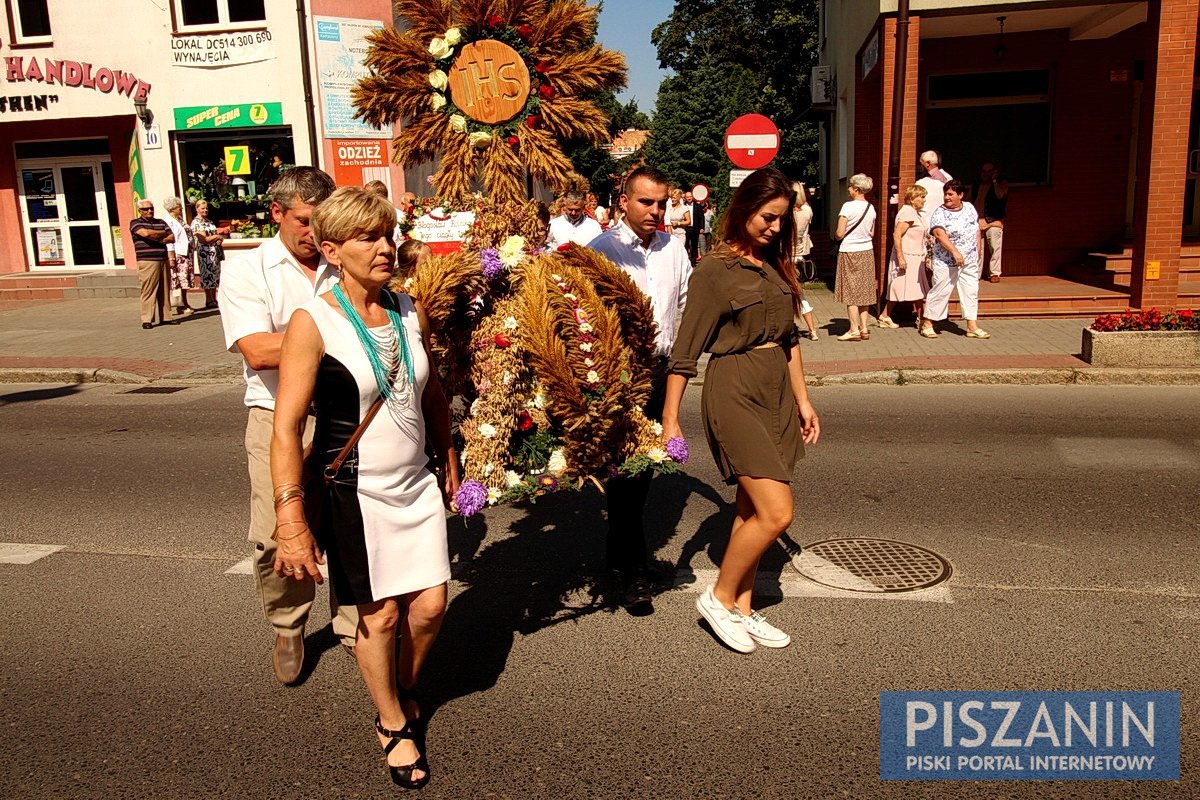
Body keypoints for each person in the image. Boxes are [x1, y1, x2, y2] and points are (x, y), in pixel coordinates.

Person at [271, 186, 457, 789]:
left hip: (415, 483)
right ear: (331, 249)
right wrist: (291, 519)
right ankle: (391, 721)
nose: (385, 246)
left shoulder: (408, 308)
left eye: (388, 233)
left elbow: (429, 391)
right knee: (378, 618)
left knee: (430, 606)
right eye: (367, 237)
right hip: (356, 489)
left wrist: (448, 450)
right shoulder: (313, 321)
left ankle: (401, 684)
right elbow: (286, 428)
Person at [662, 167, 820, 653]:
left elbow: (788, 338)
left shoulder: (774, 265)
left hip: (774, 390)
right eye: (768, 218)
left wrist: (803, 399)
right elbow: (685, 352)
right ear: (744, 210)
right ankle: (718, 596)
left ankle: (743, 609)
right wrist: (670, 421)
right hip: (733, 390)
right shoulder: (714, 270)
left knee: (751, 509)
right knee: (777, 513)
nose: (775, 228)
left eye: (782, 221)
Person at [218, 167, 359, 685]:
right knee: (279, 535)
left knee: (350, 528)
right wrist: (333, 337)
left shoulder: (344, 256)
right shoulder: (247, 269)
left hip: (349, 415)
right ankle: (288, 624)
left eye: (322, 221)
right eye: (304, 221)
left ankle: (352, 624)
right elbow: (257, 350)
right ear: (276, 213)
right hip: (278, 418)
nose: (315, 232)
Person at [587, 166, 692, 612]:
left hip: (660, 373)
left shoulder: (675, 250)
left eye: (662, 203)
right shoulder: (600, 250)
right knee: (626, 476)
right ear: (624, 202)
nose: (655, 211)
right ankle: (633, 575)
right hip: (618, 378)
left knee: (641, 474)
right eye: (646, 202)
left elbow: (683, 309)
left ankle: (620, 558)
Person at [922, 179, 991, 339]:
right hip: (946, 260)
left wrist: (978, 249)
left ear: (960, 195)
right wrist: (954, 252)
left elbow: (975, 229)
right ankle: (928, 323)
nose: (947, 197)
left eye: (951, 194)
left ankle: (971, 326)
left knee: (971, 291)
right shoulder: (940, 212)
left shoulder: (969, 208)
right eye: (945, 194)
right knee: (941, 290)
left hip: (969, 259)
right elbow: (939, 234)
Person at [832, 174, 877, 342]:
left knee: (851, 291)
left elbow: (839, 233)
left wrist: (837, 238)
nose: (848, 189)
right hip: (867, 250)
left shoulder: (847, 207)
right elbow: (872, 233)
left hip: (849, 250)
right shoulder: (870, 208)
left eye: (850, 187)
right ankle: (864, 327)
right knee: (865, 289)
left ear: (856, 189)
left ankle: (853, 329)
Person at [880, 184, 930, 329]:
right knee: (909, 287)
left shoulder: (914, 213)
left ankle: (885, 315)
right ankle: (921, 319)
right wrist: (901, 258)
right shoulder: (908, 212)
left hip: (915, 256)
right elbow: (897, 235)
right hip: (908, 256)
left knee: (914, 287)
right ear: (913, 198)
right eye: (922, 197)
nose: (924, 200)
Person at [130, 199, 175, 329]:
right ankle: (147, 319)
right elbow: (144, 233)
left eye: (151, 208)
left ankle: (166, 317)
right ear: (140, 211)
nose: (150, 211)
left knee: (165, 290)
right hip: (147, 260)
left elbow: (172, 237)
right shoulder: (135, 223)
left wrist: (154, 236)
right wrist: (161, 234)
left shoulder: (161, 222)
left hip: (162, 259)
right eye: (146, 209)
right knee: (148, 290)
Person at [791, 183, 819, 340]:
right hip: (800, 256)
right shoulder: (807, 211)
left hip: (786, 256)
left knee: (789, 293)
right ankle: (812, 330)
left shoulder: (787, 214)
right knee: (800, 294)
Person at [973, 162, 1009, 282]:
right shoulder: (977, 184)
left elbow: (1000, 195)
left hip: (994, 221)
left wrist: (994, 181)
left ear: (994, 172)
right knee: (978, 248)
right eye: (984, 171)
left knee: (995, 246)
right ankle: (976, 274)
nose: (986, 174)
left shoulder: (1000, 184)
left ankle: (995, 273)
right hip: (978, 221)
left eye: (989, 171)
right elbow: (969, 200)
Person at [163, 197, 195, 318]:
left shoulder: (179, 219)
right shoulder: (168, 221)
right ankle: (179, 305)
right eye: (179, 206)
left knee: (184, 281)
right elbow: (170, 239)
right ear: (172, 208)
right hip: (177, 254)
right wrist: (171, 257)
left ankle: (185, 303)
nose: (181, 208)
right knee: (178, 280)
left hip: (186, 253)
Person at [190, 200, 225, 309]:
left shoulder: (209, 221)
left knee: (215, 275)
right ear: (197, 209)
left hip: (214, 252)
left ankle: (214, 298)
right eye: (202, 208)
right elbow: (203, 239)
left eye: (206, 208)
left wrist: (218, 240)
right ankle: (209, 299)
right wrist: (217, 237)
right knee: (207, 275)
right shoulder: (196, 223)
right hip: (205, 253)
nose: (205, 210)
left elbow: (213, 235)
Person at [916, 150, 952, 223]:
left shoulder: (944, 179)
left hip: (937, 220)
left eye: (921, 163)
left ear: (927, 164)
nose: (918, 167)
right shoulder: (945, 177)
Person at [684, 191, 704, 262]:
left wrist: (702, 227)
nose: (689, 198)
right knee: (685, 245)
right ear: (685, 198)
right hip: (685, 228)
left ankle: (693, 261)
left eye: (690, 196)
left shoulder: (697, 206)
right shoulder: (683, 205)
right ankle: (685, 261)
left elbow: (701, 217)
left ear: (692, 197)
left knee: (694, 245)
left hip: (695, 228)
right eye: (687, 197)